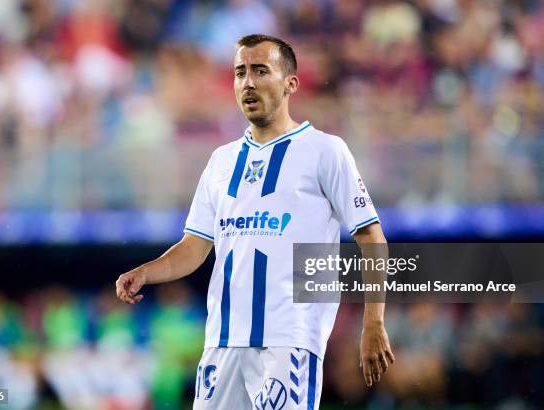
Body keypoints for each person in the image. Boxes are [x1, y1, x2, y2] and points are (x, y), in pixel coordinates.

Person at [116, 34, 394, 409]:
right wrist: (146, 272)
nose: (247, 82)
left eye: (261, 71)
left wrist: (373, 321)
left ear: (290, 83)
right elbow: (195, 247)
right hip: (222, 342)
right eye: (240, 72)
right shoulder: (221, 161)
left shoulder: (325, 151)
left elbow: (372, 237)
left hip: (288, 339)